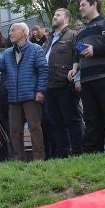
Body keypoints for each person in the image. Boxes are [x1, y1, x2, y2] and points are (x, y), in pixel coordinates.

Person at [0, 22, 49, 160]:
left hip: (31, 95)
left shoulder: (36, 49)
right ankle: (19, 159)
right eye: (10, 31)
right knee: (14, 131)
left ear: (24, 32)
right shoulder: (7, 53)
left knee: (34, 128)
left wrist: (40, 91)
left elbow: (43, 71)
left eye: (13, 30)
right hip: (13, 98)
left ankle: (39, 158)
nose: (9, 33)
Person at [69, 0, 105, 152]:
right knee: (91, 119)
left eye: (83, 5)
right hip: (86, 80)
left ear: (94, 5)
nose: (80, 8)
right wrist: (74, 68)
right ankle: (93, 153)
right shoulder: (81, 31)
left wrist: (96, 50)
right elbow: (76, 53)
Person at [43, 8, 83, 157]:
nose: (54, 16)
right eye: (54, 14)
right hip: (49, 86)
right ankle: (63, 154)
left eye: (58, 15)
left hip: (66, 85)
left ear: (66, 20)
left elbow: (80, 55)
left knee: (72, 120)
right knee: (55, 122)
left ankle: (79, 152)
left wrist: (76, 73)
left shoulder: (73, 35)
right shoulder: (48, 40)